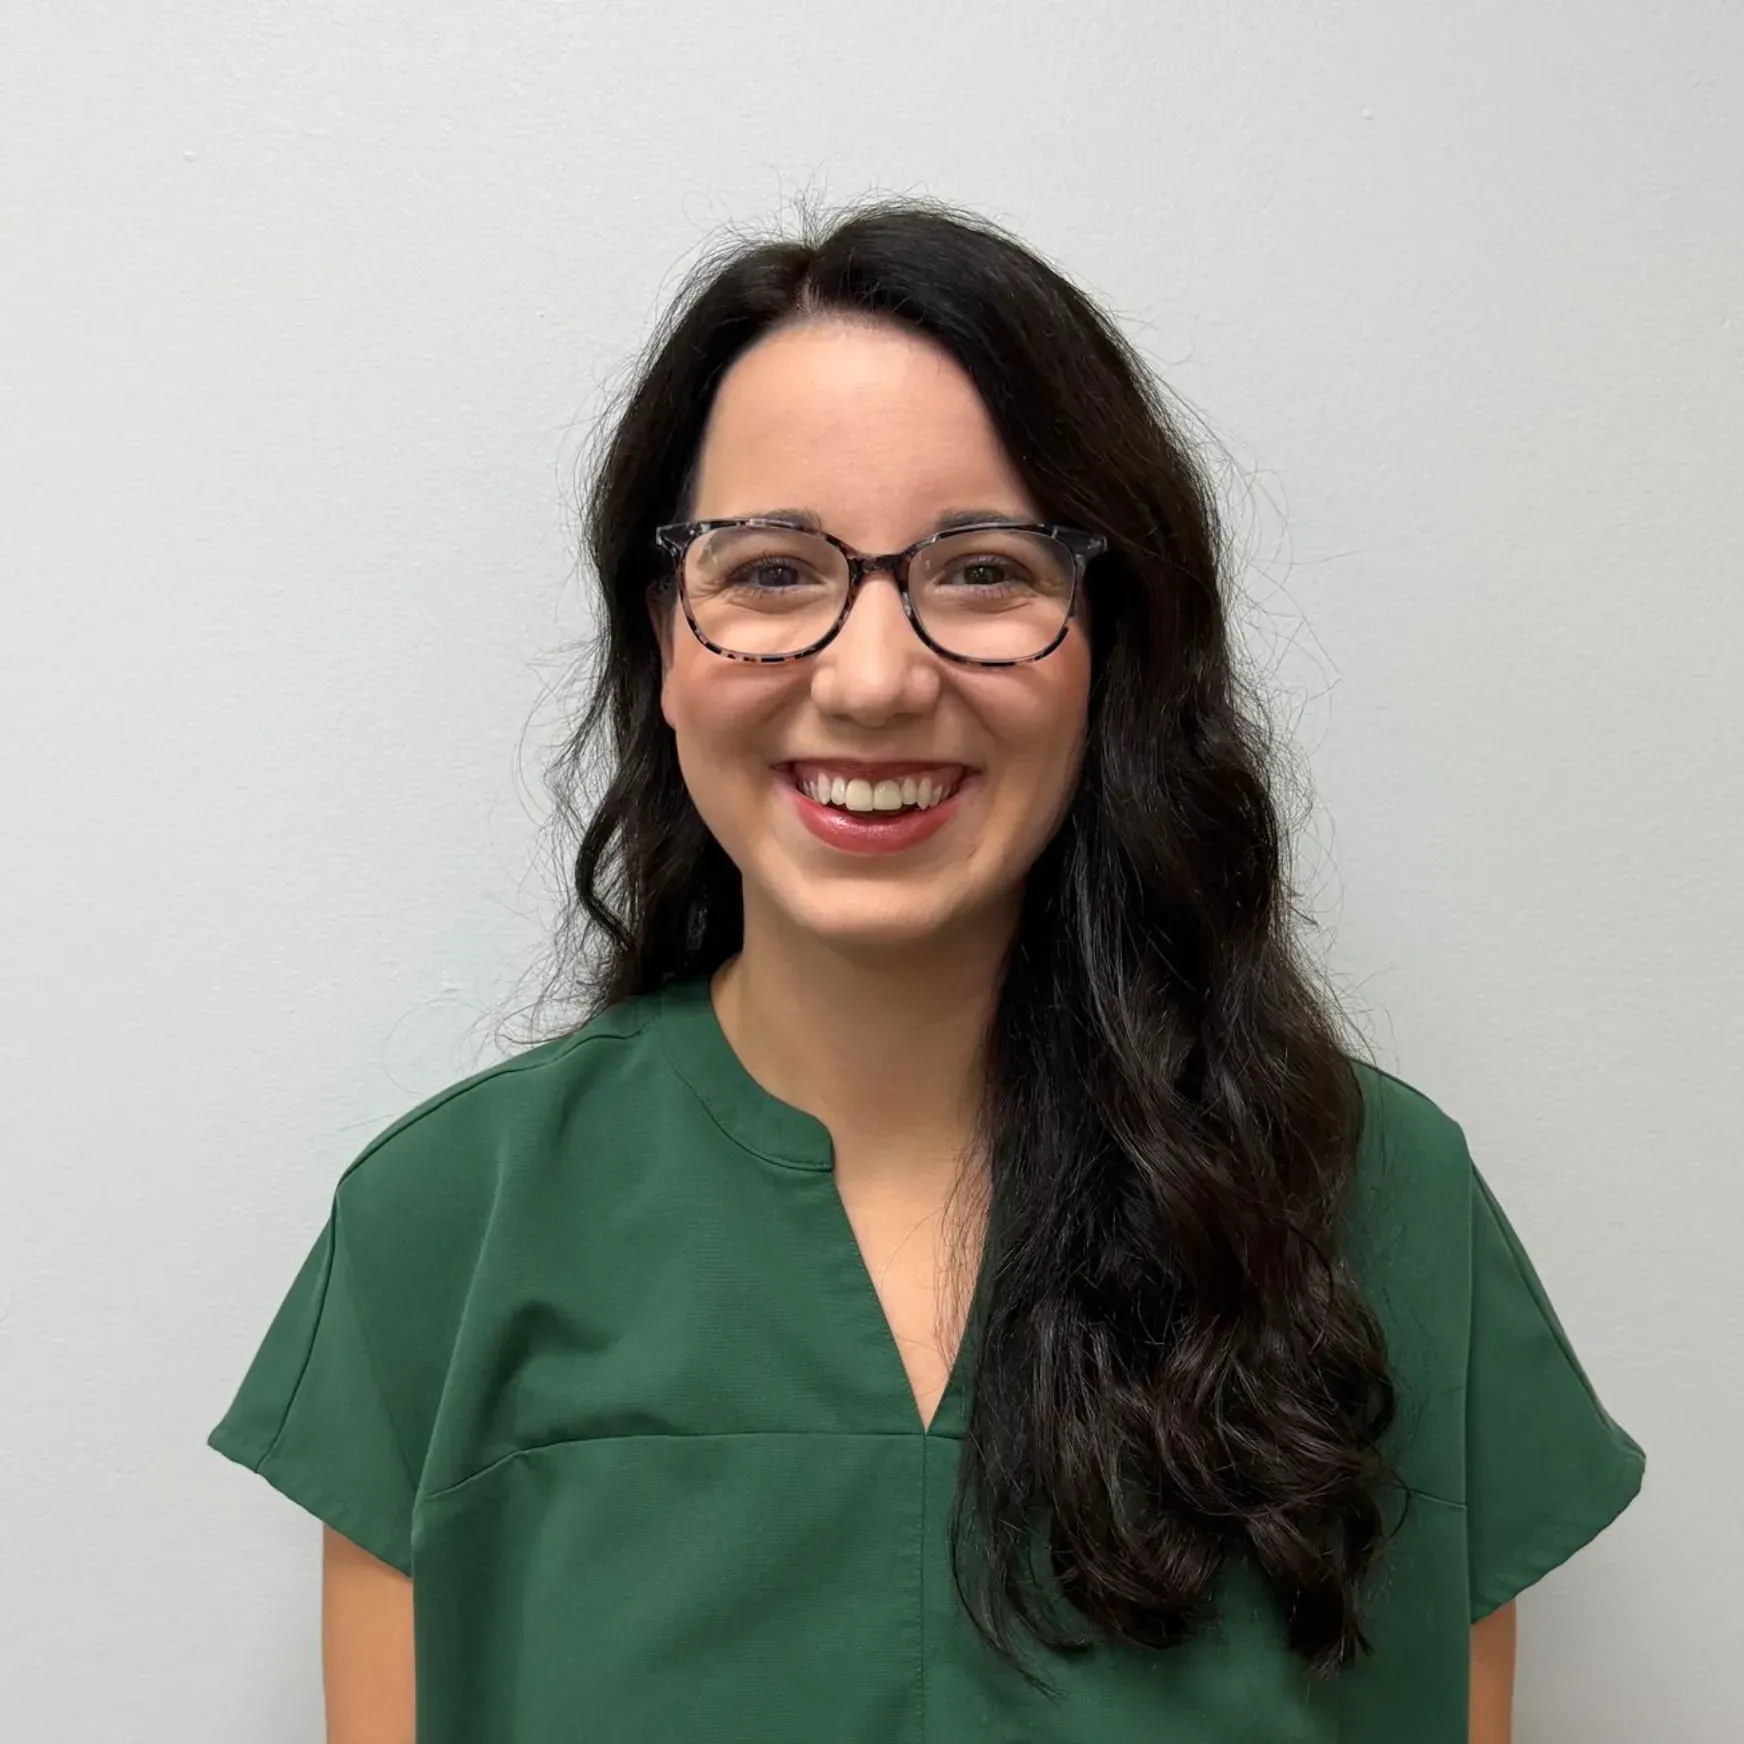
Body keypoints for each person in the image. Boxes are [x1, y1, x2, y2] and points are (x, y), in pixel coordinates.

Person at [208, 198, 1645, 1744]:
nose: (876, 677)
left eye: (981, 570)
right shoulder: (446, 1232)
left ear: (1114, 640)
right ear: (665, 643)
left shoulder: (1383, 1209)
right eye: (768, 571)